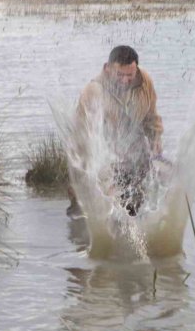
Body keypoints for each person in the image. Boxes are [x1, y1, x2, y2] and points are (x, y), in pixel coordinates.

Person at [68, 45, 163, 217]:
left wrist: (156, 138)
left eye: (130, 75)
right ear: (107, 68)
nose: (126, 80)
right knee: (96, 214)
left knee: (137, 208)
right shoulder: (93, 92)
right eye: (120, 75)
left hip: (133, 156)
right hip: (102, 161)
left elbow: (151, 116)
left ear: (136, 69)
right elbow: (84, 143)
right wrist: (106, 185)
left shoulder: (144, 80)